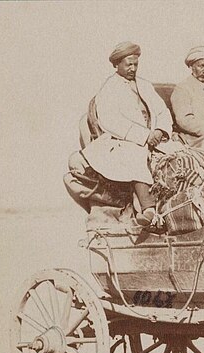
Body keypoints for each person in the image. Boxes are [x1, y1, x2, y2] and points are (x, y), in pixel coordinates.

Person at [79, 41, 174, 225]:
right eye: (128, 64)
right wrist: (144, 136)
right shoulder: (109, 89)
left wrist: (160, 130)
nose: (132, 68)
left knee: (179, 155)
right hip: (122, 140)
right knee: (135, 157)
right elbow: (111, 122)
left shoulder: (145, 85)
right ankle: (148, 209)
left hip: (154, 138)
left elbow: (163, 112)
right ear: (117, 65)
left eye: (135, 64)